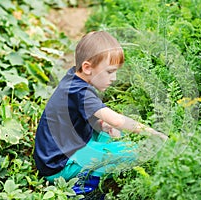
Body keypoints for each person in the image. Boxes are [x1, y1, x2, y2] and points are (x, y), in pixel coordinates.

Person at [34, 31, 167, 183]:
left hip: (58, 152)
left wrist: (101, 125)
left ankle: (99, 159)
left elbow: (79, 117)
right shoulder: (81, 92)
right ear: (87, 68)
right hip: (60, 166)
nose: (114, 78)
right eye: (110, 72)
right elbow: (117, 121)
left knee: (113, 134)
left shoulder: (73, 78)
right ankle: (86, 186)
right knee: (133, 152)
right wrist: (152, 132)